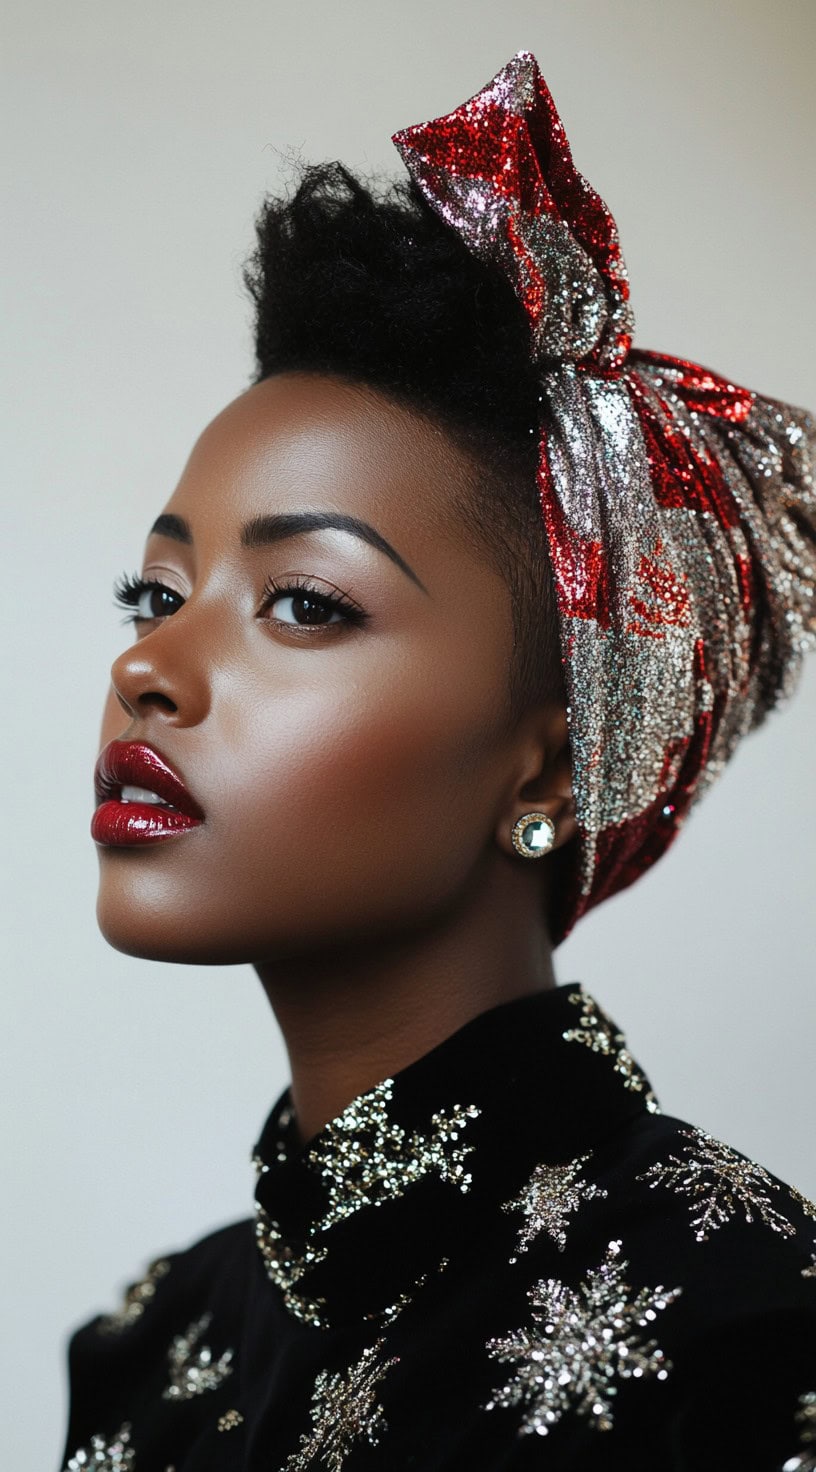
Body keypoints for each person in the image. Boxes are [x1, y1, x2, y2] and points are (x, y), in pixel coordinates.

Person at [61, 50, 816, 1472]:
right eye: (155, 594)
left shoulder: (745, 1319)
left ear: (552, 771)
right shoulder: (157, 1342)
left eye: (307, 604)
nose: (146, 667)